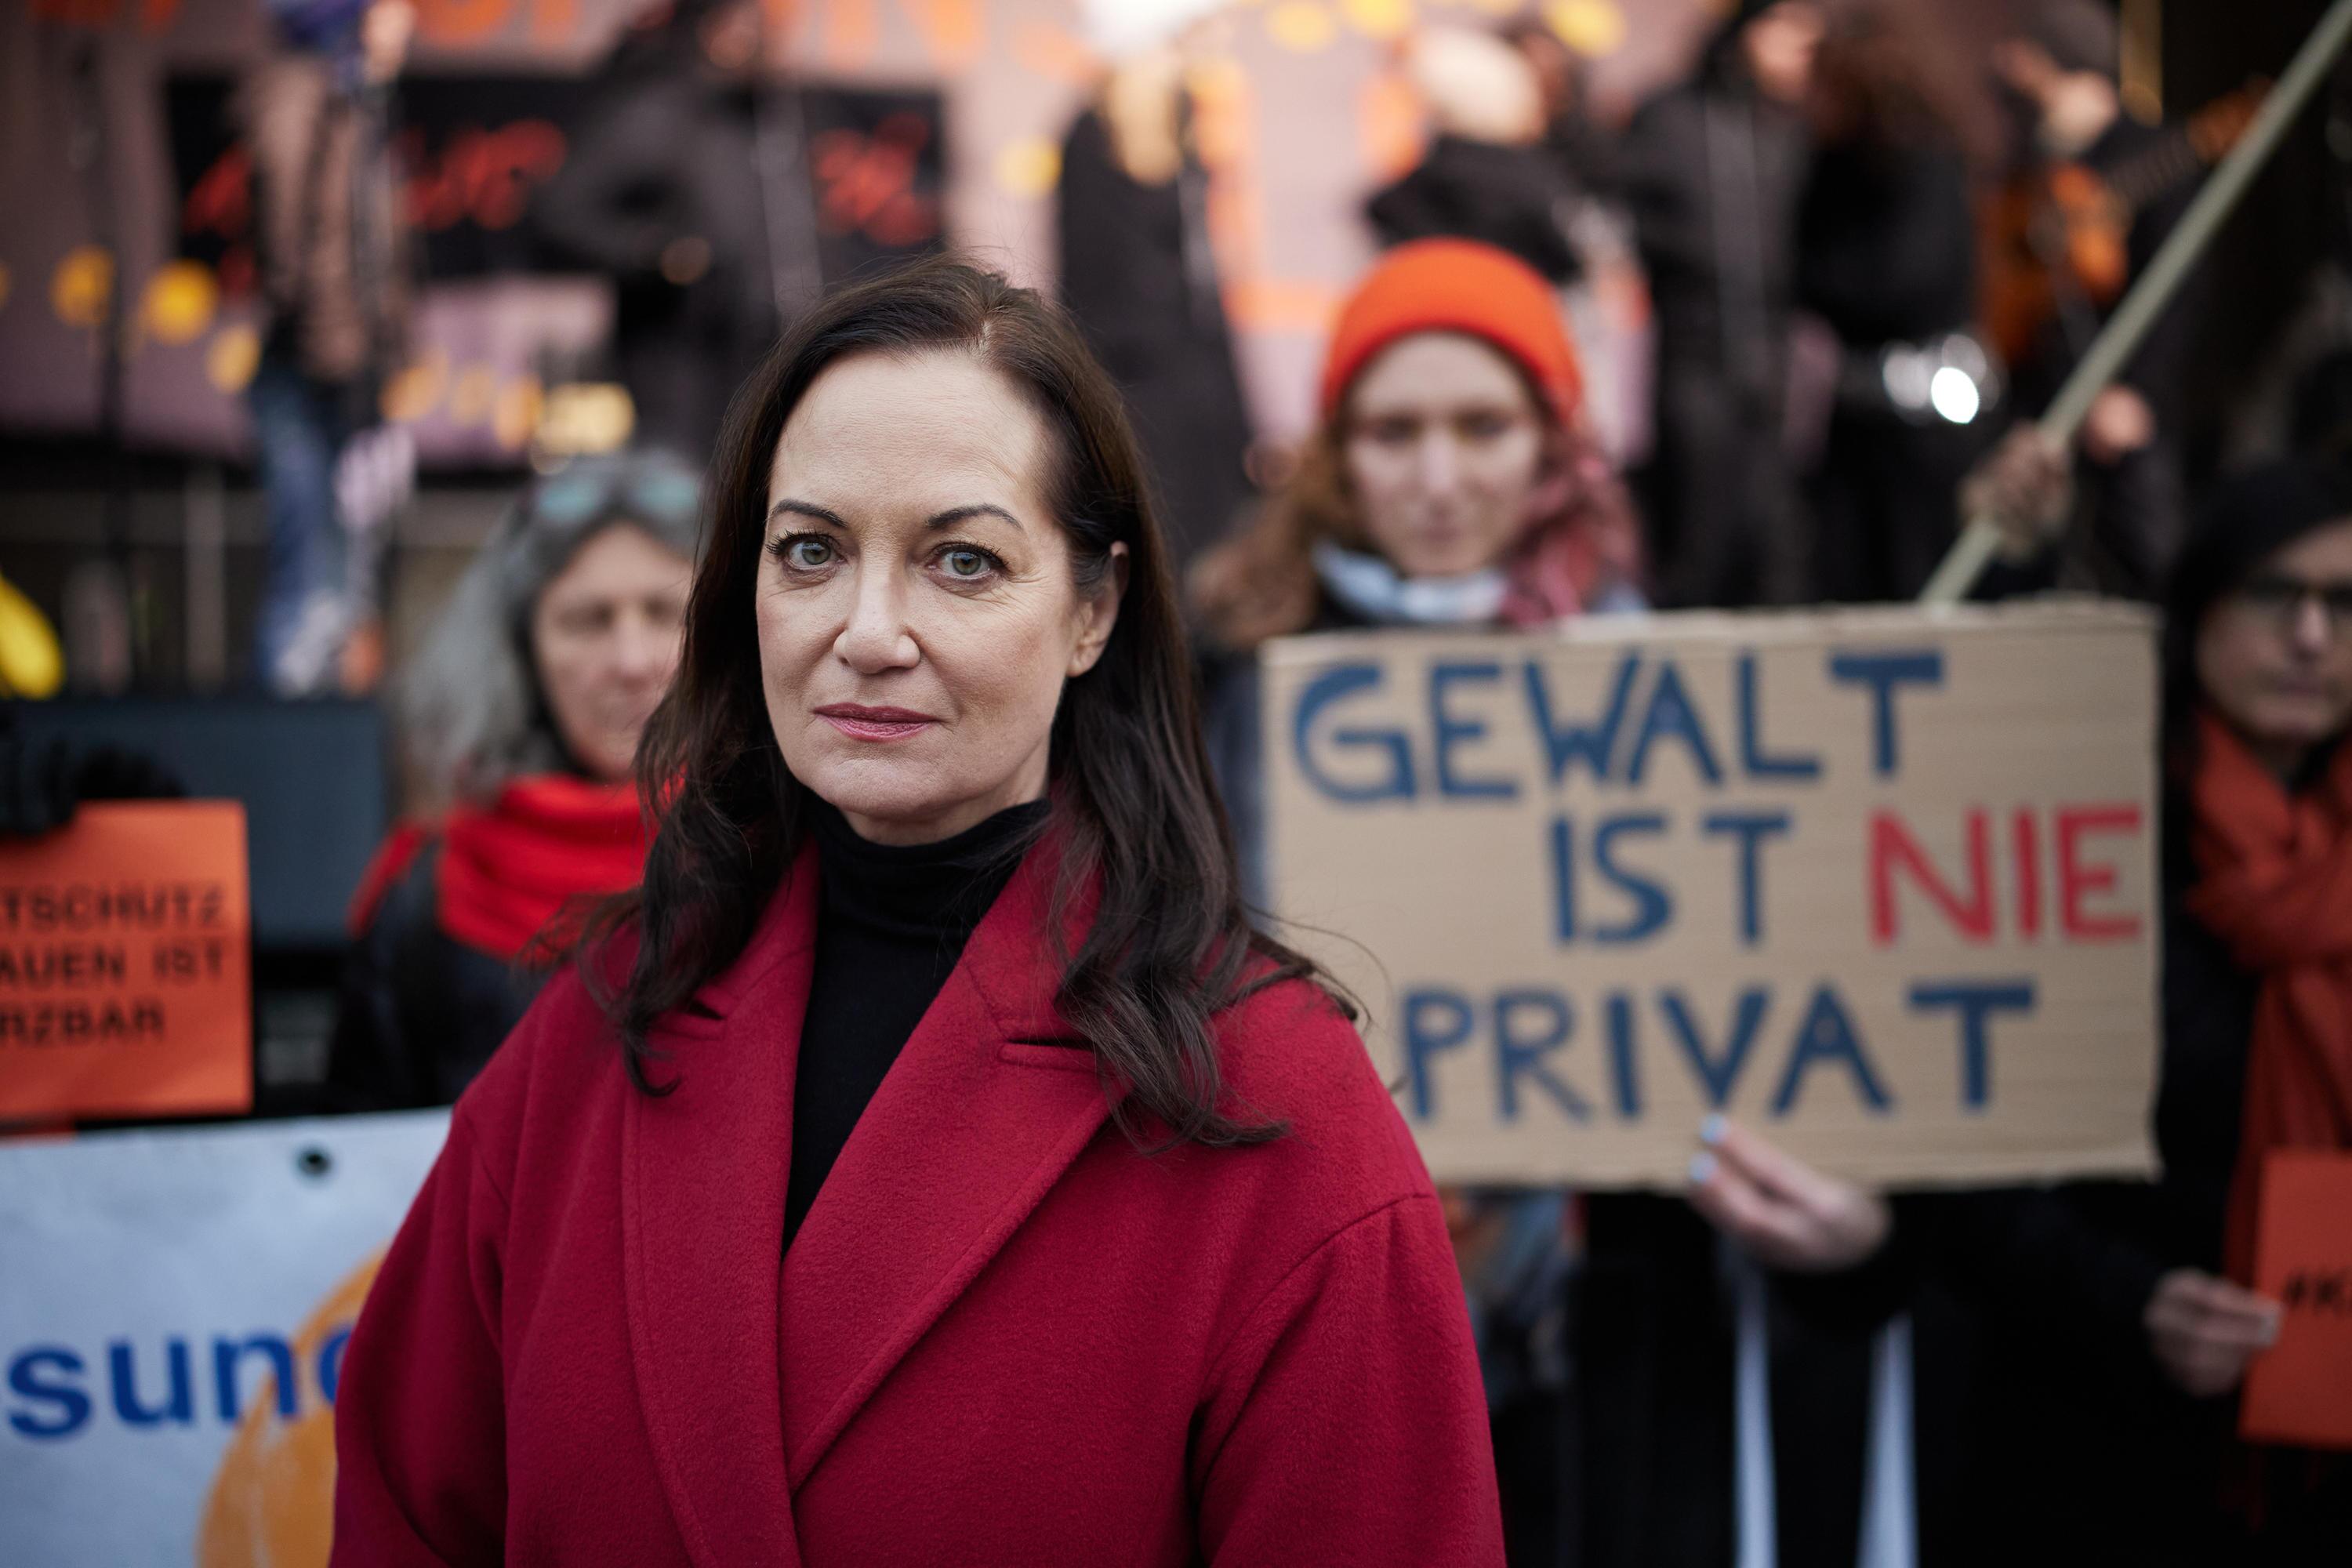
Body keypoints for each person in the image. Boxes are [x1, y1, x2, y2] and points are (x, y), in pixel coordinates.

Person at [329, 258, 1504, 1563]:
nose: (869, 631)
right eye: (812, 551)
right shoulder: (584, 1043)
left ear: (1093, 609)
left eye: (961, 561)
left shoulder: (1275, 1100)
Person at [1701, 463, 2352, 1564]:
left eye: (2345, 604)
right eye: (2273, 593)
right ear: (2200, 604)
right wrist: (2133, 1300)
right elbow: (1967, 1149)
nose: (2310, 637)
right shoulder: (2070, 819)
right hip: (2088, 1444)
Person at [1190, 237, 1640, 1564]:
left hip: (1579, 1299)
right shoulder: (1229, 664)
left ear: (1554, 442)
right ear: (1337, 453)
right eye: (1394, 433)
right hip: (1302, 1254)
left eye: (1483, 427)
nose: (1440, 480)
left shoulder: (1643, 669)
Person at [323, 450, 699, 1112]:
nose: (632, 661)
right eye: (588, 620)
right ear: (521, 652)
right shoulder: (429, 897)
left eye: (666, 613)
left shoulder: (792, 861)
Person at [1977, 0, 2202, 597]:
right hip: (2043, 404)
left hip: (2123, 406)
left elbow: (2176, 288)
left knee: (2144, 559)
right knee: (2023, 566)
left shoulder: (2151, 152)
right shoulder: (2030, 162)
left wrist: (2139, 391)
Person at [532, 0, 815, 461]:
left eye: (764, 24)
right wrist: (656, 253)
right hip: (679, 359)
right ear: (709, 30)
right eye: (742, 24)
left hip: (763, 350)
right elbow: (560, 214)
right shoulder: (656, 112)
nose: (758, 38)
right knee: (684, 485)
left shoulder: (769, 117)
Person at [1617, 0, 1820, 608]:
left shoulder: (1792, 124)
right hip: (1694, 354)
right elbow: (1625, 210)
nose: (1801, 56)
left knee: (1777, 533)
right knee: (1697, 530)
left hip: (1779, 357)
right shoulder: (1669, 117)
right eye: (1788, 37)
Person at [1796, 0, 1998, 602]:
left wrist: (1821, 285)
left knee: (1921, 576)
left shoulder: (1924, 162)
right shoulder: (1830, 166)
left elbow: (1903, 280)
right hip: (1856, 418)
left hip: (1924, 419)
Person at [241, 0, 415, 694]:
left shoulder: (354, 101)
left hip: (347, 370)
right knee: (312, 580)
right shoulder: (300, 92)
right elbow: (286, 238)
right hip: (310, 372)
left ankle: (324, 725)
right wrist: (329, 342)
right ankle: (288, 739)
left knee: (348, 582)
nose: (406, 22)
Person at [1056, 9, 1255, 573]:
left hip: (1199, 403)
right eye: (1187, 41)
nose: (1205, 55)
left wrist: (1238, 420)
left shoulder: (1178, 129)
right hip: (1142, 404)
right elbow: (1096, 299)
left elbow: (1202, 285)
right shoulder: (1093, 138)